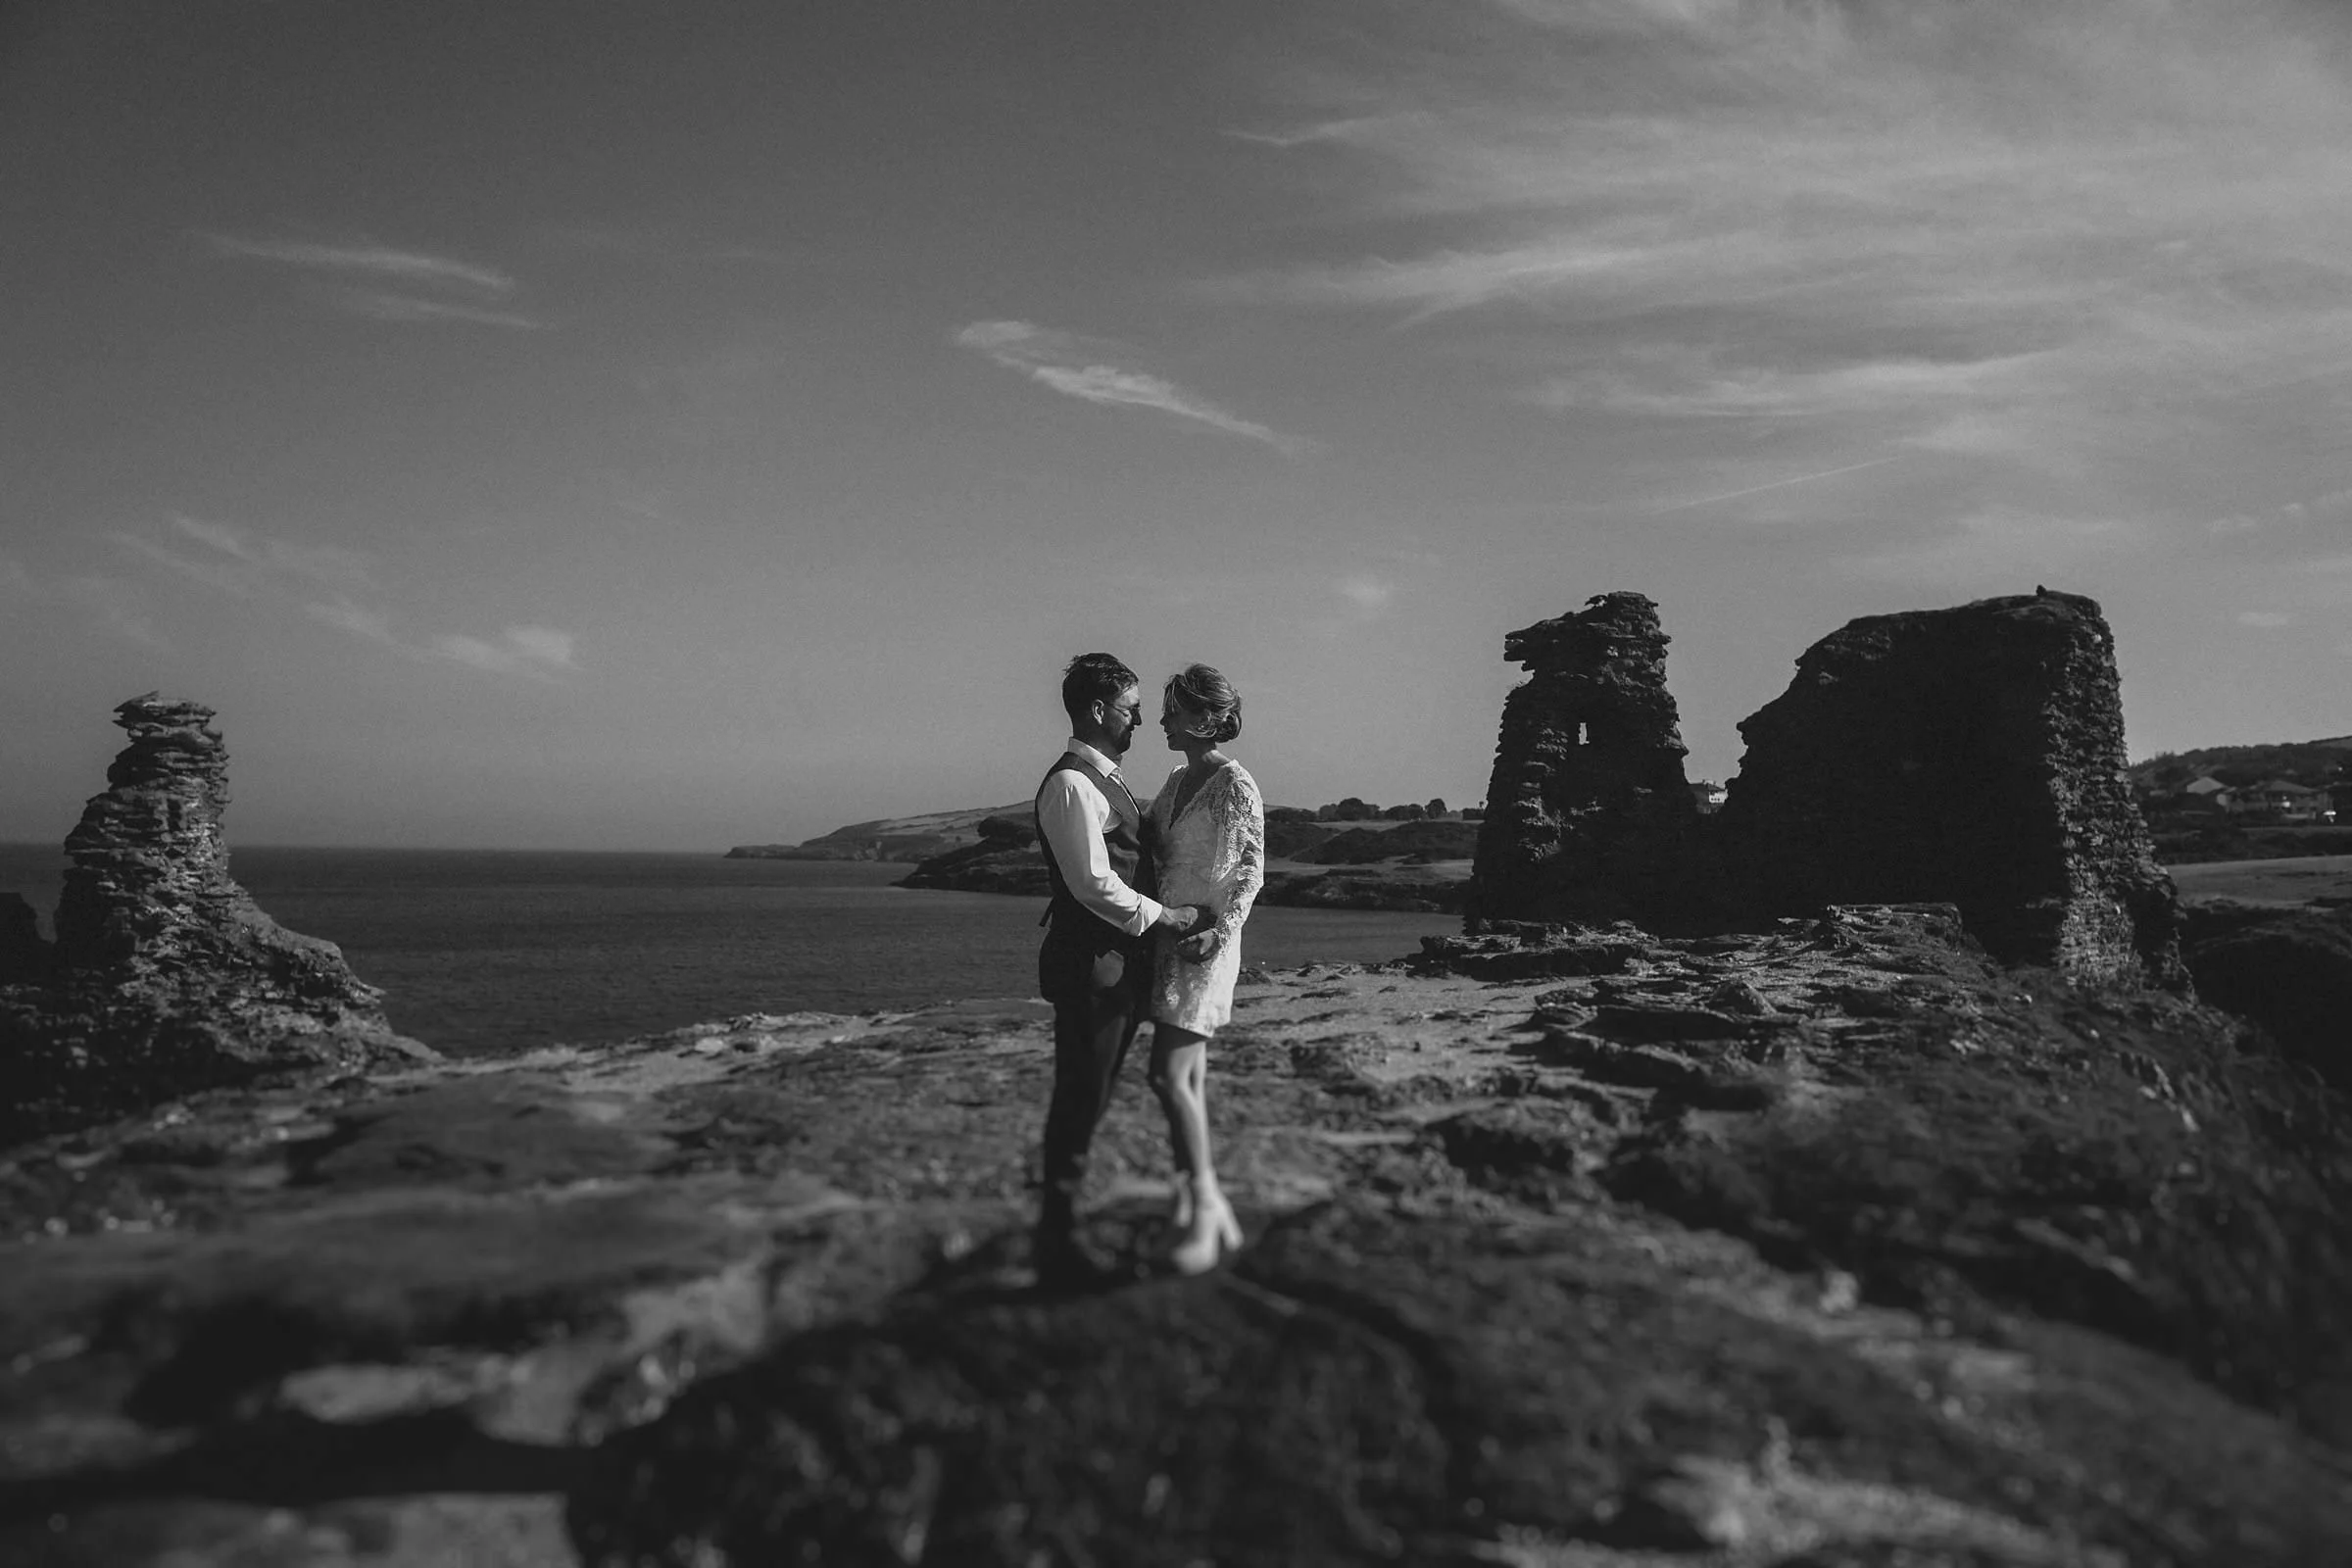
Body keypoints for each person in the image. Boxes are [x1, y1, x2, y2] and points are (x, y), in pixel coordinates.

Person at [1032, 653, 1211, 1287]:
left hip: (1116, 967)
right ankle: (1057, 1240)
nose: (1139, 721)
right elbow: (1091, 884)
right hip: (1091, 968)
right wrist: (1169, 918)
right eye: (1131, 710)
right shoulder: (1072, 784)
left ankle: (1062, 1225)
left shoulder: (1104, 779)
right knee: (1081, 1095)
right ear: (1099, 710)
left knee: (1094, 1094)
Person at [1142, 663, 1264, 1274]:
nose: (1161, 720)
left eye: (1172, 710)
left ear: (1206, 719)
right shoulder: (1174, 777)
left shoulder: (1235, 784)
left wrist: (1220, 932)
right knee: (1186, 1078)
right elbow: (1151, 841)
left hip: (1207, 942)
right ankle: (1204, 1209)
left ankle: (1205, 1203)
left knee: (1167, 1075)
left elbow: (1250, 870)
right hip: (1170, 932)